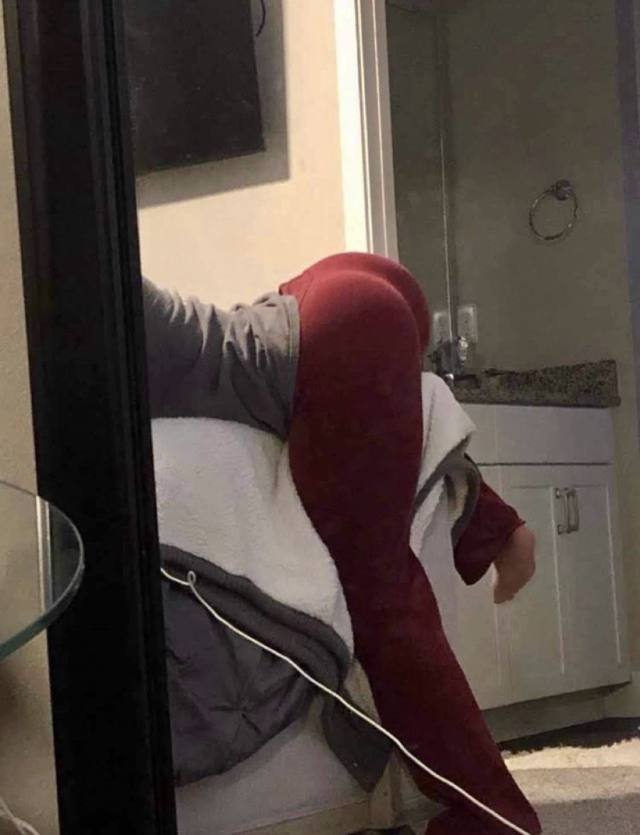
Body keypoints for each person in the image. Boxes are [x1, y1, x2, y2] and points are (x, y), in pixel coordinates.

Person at [143, 252, 540, 835]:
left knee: (383, 602)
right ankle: (494, 525)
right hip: (341, 295)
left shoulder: (67, 301)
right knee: (380, 559)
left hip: (340, 317)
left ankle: (496, 822)